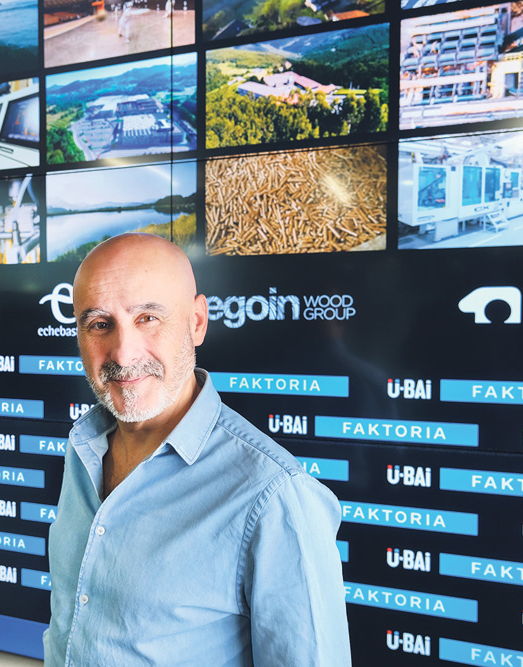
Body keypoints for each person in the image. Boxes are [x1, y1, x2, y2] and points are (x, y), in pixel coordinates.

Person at [44, 233, 351, 665]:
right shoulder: (83, 450)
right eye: (99, 324)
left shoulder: (275, 495)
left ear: (197, 322)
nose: (123, 354)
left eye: (148, 318)